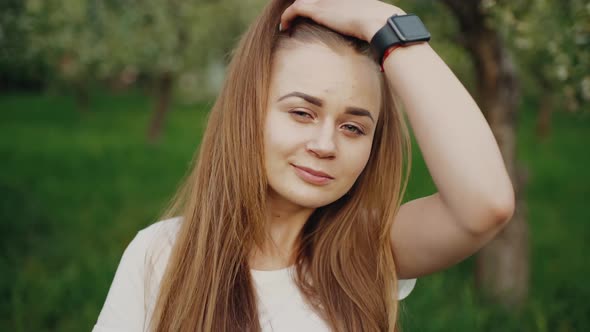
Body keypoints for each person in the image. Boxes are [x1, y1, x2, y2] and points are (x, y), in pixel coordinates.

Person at [92, 0, 515, 331]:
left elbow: (486, 203)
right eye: (301, 113)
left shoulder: (367, 250)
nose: (325, 145)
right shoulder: (161, 254)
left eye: (353, 127)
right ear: (249, 112)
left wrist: (389, 23)